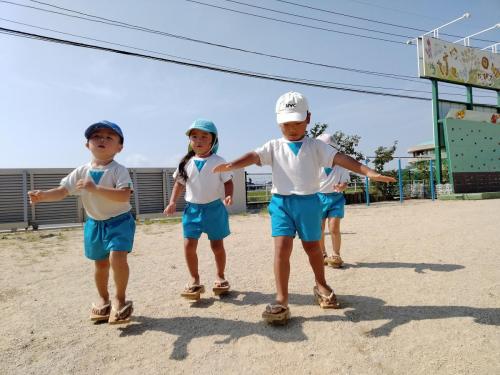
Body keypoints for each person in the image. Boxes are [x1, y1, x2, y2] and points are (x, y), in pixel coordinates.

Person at [213, 92, 395, 323]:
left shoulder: (316, 146)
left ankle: (321, 284)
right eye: (287, 123)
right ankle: (281, 300)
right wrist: (233, 164)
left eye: (297, 122)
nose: (292, 128)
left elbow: (341, 158)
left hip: (310, 203)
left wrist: (368, 172)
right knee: (281, 249)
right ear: (278, 121)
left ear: (308, 118)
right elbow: (253, 155)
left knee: (313, 249)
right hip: (281, 204)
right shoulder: (274, 146)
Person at [28, 121, 135, 324]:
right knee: (100, 264)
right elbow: (63, 191)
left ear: (119, 147)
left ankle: (120, 299)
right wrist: (43, 196)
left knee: (117, 257)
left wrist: (94, 188)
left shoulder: (118, 170)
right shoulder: (81, 171)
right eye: (96, 137)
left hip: (119, 221)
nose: (102, 140)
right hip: (94, 222)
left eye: (109, 137)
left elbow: (123, 196)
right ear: (87, 144)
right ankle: (103, 299)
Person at [164, 119, 233, 300]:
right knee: (189, 245)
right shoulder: (185, 163)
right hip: (192, 210)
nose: (199, 140)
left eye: (204, 136)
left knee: (217, 245)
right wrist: (172, 202)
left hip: (214, 209)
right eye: (194, 136)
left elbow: (228, 181)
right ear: (189, 141)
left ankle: (220, 277)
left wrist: (228, 195)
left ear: (213, 141)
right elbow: (179, 185)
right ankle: (194, 280)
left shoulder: (219, 161)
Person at [316, 133, 350, 268]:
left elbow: (345, 183)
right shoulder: (315, 165)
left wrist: (342, 186)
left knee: (334, 227)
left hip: (336, 199)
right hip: (318, 198)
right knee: (319, 228)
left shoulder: (341, 165)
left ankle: (336, 254)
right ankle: (322, 254)